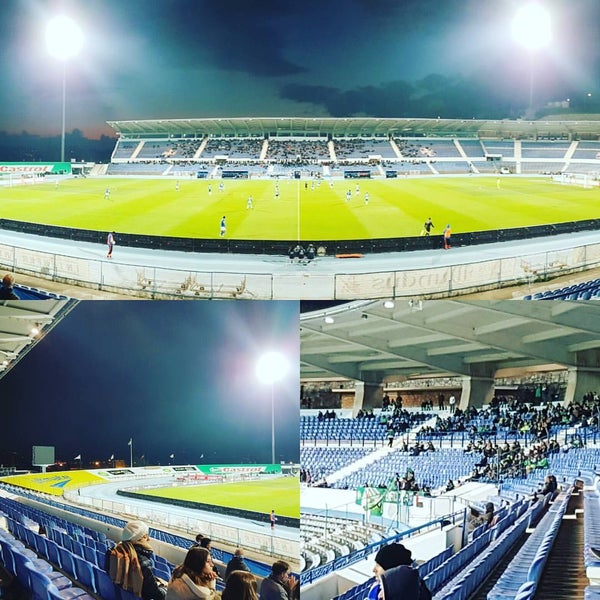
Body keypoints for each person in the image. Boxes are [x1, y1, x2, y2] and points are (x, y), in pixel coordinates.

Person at [107, 520, 167, 600]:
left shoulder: (112, 552)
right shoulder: (143, 562)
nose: (148, 539)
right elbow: (154, 594)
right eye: (146, 536)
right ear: (141, 538)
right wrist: (165, 590)